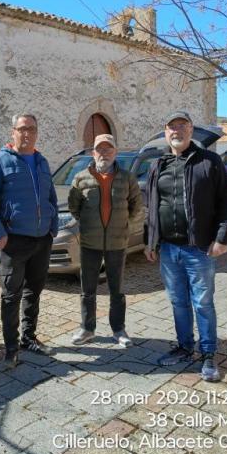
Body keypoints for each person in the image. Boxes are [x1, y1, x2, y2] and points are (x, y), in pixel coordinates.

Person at [144, 111, 227, 381]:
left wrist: (222, 238)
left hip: (199, 249)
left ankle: (208, 354)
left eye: (182, 125)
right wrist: (150, 241)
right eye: (172, 126)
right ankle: (185, 347)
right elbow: (151, 206)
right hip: (169, 249)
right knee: (178, 301)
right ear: (166, 132)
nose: (177, 130)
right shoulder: (158, 164)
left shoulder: (209, 161)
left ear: (191, 130)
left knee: (203, 303)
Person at [0, 114, 58, 368]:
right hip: (14, 241)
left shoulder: (42, 161)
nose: (27, 133)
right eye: (22, 129)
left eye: (31, 129)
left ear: (36, 132)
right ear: (13, 132)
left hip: (42, 240)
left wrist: (53, 227)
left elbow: (51, 197)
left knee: (34, 291)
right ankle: (11, 348)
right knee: (11, 295)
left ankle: (28, 338)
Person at [68, 134, 143, 347]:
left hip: (117, 243)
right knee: (87, 289)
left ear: (115, 152)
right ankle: (87, 329)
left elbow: (136, 205)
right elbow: (74, 207)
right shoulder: (81, 178)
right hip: (89, 243)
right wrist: (88, 224)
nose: (104, 153)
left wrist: (123, 224)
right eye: (100, 149)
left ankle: (118, 330)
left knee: (116, 290)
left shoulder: (127, 178)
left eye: (108, 149)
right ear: (93, 153)